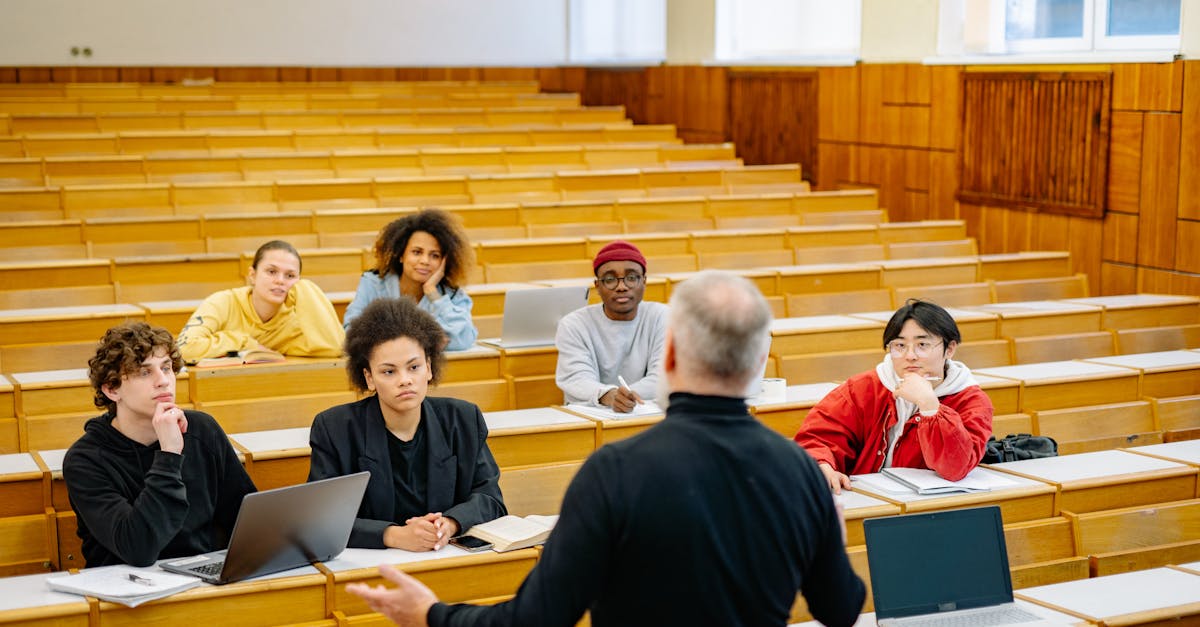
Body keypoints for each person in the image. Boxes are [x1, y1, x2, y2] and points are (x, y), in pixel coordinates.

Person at [347, 270, 866, 627]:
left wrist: (433, 615)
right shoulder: (798, 470)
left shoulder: (616, 470)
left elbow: (538, 619)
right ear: (759, 364)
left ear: (667, 356)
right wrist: (828, 530)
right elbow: (842, 608)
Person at [308, 297, 505, 551]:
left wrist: (450, 523)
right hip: (371, 568)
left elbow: (491, 499)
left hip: (444, 556)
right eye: (389, 372)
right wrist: (392, 536)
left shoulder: (463, 419)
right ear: (369, 377)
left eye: (414, 367)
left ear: (429, 368)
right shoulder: (334, 428)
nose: (405, 380)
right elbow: (321, 518)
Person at [62, 322, 256, 567]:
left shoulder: (202, 430)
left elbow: (246, 519)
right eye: (145, 372)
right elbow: (139, 548)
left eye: (167, 368)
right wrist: (169, 455)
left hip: (201, 580)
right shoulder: (85, 460)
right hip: (127, 590)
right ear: (112, 389)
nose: (163, 381)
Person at [794, 299, 995, 493]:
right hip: (867, 499)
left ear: (949, 349)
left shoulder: (972, 401)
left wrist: (930, 407)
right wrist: (820, 463)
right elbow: (819, 436)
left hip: (930, 508)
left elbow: (955, 467)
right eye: (899, 346)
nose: (910, 356)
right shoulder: (864, 388)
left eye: (922, 345)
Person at [176, 240, 344, 363]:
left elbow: (335, 349)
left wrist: (305, 288)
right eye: (271, 271)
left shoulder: (294, 323)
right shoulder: (222, 302)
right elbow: (184, 349)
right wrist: (245, 343)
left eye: (290, 276)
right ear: (253, 275)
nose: (280, 280)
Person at [554, 240, 667, 412]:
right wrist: (608, 395)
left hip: (647, 411)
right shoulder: (574, 324)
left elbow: (664, 375)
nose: (621, 287)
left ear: (644, 281)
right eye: (609, 279)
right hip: (591, 413)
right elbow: (576, 378)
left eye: (631, 278)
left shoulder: (663, 317)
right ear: (597, 286)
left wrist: (625, 397)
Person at [343, 209, 478, 351]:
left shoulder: (452, 295)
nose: (425, 261)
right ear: (401, 255)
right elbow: (351, 331)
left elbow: (464, 340)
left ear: (445, 262)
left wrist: (432, 293)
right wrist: (427, 339)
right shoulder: (373, 284)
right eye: (417, 252)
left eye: (435, 255)